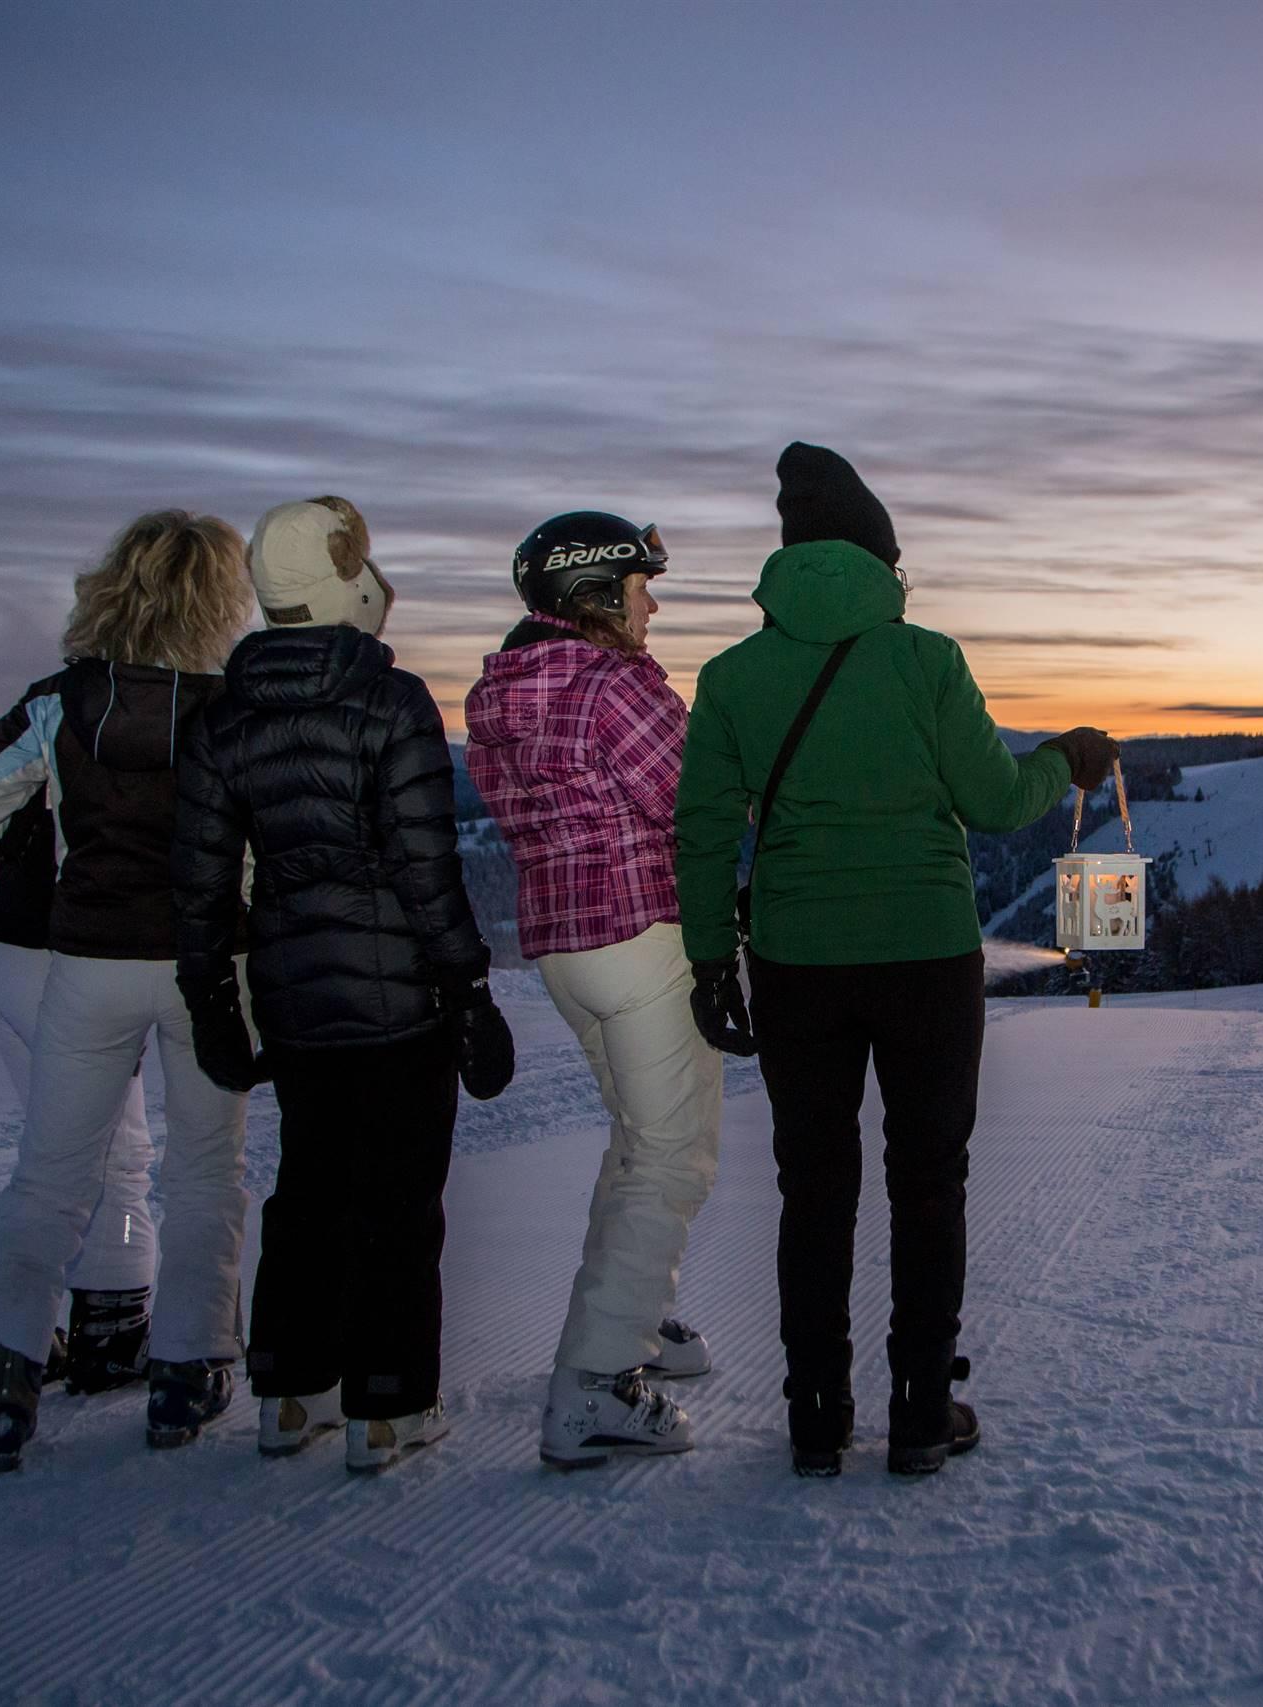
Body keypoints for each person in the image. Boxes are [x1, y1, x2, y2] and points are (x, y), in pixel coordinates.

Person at [675, 443, 1117, 1477]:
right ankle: (919, 1410)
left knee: (812, 1185)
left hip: (796, 961)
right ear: (881, 561)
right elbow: (998, 804)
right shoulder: (928, 662)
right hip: (925, 956)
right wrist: (1067, 757)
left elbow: (700, 832)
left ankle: (816, 1415)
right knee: (929, 1179)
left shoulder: (733, 677)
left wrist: (708, 962)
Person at [174, 495, 513, 1477]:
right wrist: (468, 990)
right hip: (397, 999)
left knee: (308, 1189)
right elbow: (424, 866)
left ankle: (290, 1391)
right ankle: (387, 1408)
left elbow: (199, 881)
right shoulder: (389, 701)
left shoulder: (222, 717)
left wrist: (211, 1003)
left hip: (291, 996)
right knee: (400, 1201)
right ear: (341, 584)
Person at [0, 509, 258, 1471]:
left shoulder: (63, 702)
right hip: (206, 971)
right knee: (205, 1175)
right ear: (219, 600)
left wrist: (35, 839)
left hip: (86, 964)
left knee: (53, 1174)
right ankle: (188, 1369)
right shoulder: (238, 708)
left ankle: (5, 1375)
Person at [465, 512, 720, 1470]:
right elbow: (695, 796)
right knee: (673, 1154)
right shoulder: (610, 686)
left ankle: (639, 1319)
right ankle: (597, 1379)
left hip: (565, 950)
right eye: (639, 585)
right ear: (594, 595)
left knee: (636, 1140)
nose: (651, 602)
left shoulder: (502, 693)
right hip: (641, 935)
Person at [0, 786, 158, 1394]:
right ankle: (112, 1330)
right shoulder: (150, 730)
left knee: (53, 1155)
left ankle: (1, 1324)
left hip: (1, 947)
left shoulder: (54, 716)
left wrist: (19, 848)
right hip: (70, 964)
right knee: (116, 1153)